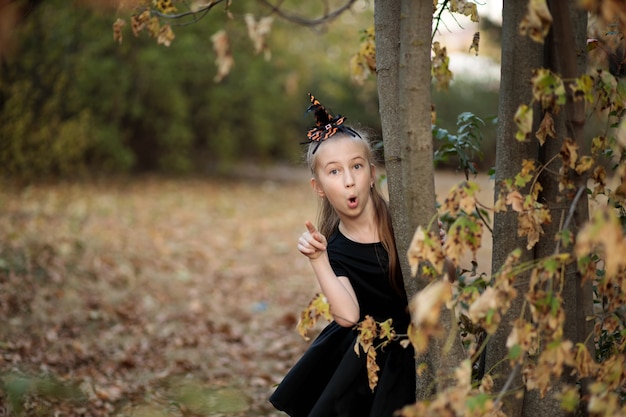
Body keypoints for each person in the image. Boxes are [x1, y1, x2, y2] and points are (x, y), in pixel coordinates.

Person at [269, 94, 416, 417]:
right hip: (364, 354)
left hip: (414, 346)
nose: (349, 180)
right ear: (318, 186)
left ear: (372, 172)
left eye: (357, 167)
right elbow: (348, 316)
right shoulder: (335, 248)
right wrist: (319, 260)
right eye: (334, 172)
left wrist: (440, 254)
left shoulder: (403, 224)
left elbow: (443, 282)